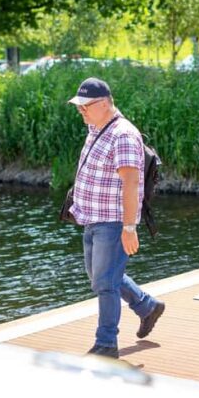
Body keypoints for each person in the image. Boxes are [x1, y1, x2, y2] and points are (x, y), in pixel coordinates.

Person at [68, 77, 164, 359]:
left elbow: (132, 183)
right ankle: (147, 306)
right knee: (101, 277)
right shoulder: (96, 127)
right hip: (91, 218)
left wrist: (129, 227)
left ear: (104, 104)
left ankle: (106, 343)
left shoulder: (123, 134)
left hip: (111, 221)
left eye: (85, 106)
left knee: (105, 283)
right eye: (79, 107)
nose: (81, 111)